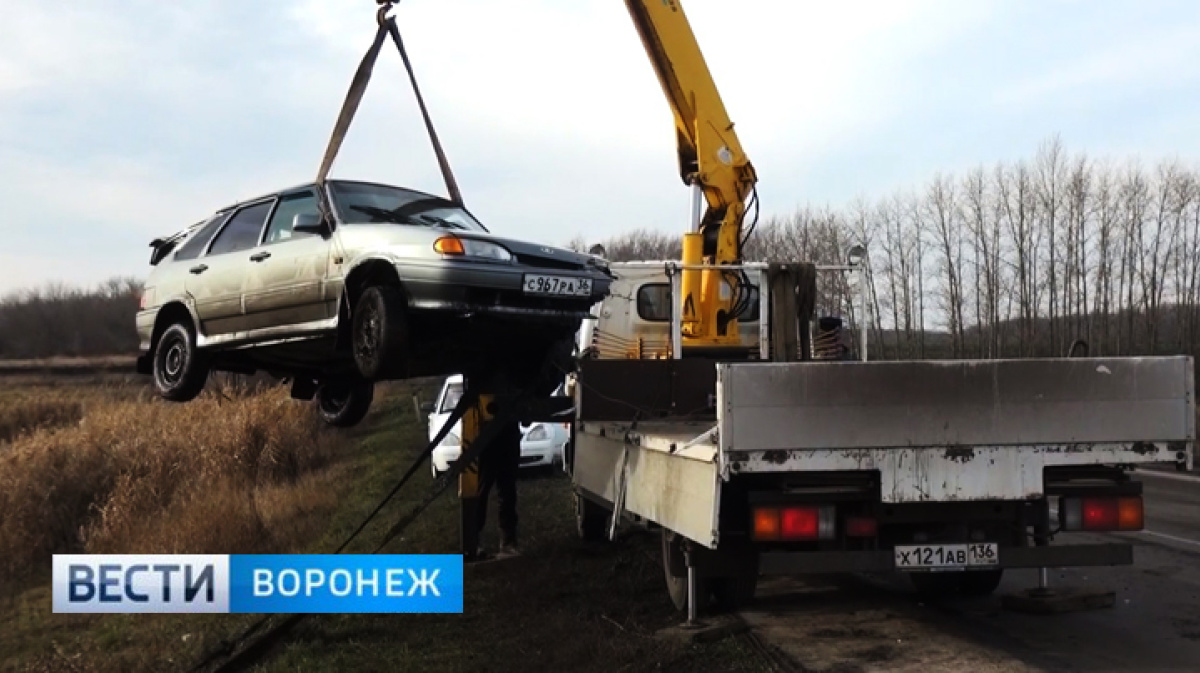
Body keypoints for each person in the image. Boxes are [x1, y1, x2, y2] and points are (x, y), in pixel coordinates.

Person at [476, 417, 523, 558]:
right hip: (485, 434)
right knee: (481, 491)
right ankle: (474, 540)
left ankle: (508, 541)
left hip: (506, 434)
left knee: (506, 490)